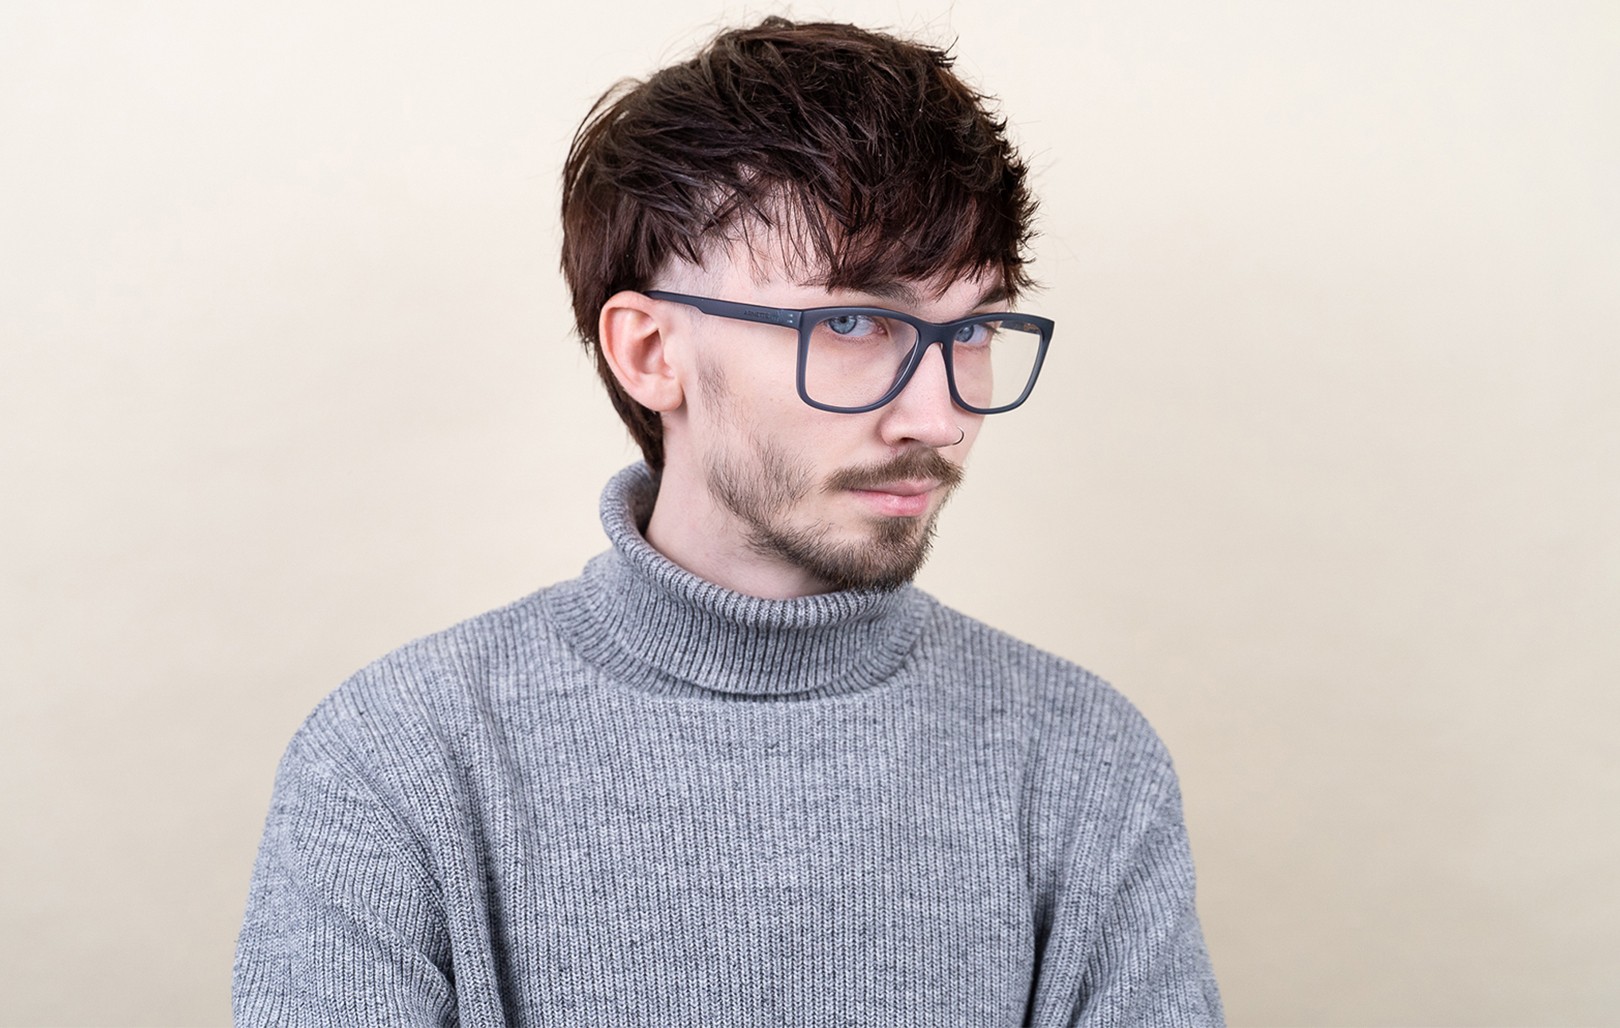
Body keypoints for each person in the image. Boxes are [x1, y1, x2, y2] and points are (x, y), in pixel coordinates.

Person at [233, 17, 1223, 1027]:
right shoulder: (395, 762)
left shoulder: (1085, 760)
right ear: (651, 352)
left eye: (971, 328)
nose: (939, 418)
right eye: (853, 321)